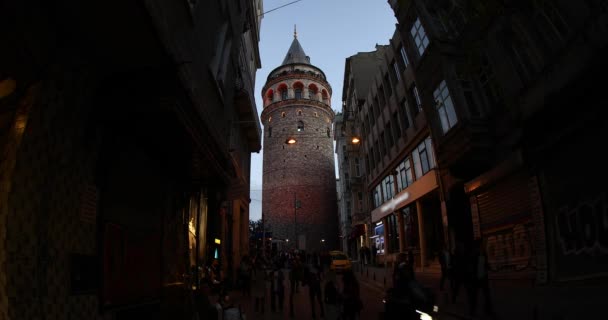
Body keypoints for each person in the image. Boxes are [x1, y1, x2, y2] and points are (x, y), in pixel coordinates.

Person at [466, 239, 494, 317]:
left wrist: (489, 267)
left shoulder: (484, 253)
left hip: (483, 277)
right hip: (476, 279)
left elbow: (485, 263)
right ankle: (472, 312)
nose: (483, 246)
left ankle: (488, 310)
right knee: (475, 296)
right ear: (478, 246)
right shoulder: (473, 254)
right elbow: (471, 266)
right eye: (482, 245)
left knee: (487, 296)